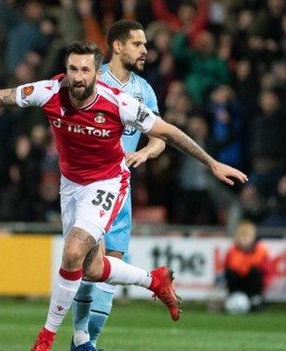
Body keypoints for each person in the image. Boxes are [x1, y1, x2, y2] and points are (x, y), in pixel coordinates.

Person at [0, 41, 248, 351]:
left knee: (73, 251)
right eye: (72, 69)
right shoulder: (49, 90)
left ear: (97, 72)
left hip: (108, 182)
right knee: (91, 270)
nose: (77, 76)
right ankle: (153, 280)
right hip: (71, 185)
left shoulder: (119, 103)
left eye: (84, 70)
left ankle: (45, 338)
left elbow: (168, 131)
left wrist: (212, 162)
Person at [69, 20, 166, 351]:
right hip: (89, 185)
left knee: (114, 260)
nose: (145, 50)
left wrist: (146, 152)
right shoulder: (92, 81)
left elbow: (160, 138)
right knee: (88, 263)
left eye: (145, 44)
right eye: (138, 44)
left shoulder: (144, 90)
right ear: (118, 46)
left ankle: (88, 341)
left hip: (121, 189)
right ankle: (80, 334)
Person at [223, 219, 270, 312]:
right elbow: (228, 267)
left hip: (252, 283)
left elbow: (267, 271)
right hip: (238, 283)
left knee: (255, 272)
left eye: (247, 236)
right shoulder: (232, 251)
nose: (244, 239)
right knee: (230, 272)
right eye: (241, 236)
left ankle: (255, 300)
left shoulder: (261, 251)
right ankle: (234, 297)